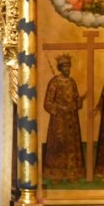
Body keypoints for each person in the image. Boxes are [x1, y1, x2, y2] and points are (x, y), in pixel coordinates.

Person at [42, 53, 86, 181]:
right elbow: (48, 103)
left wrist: (79, 101)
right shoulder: (54, 82)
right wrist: (61, 108)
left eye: (69, 67)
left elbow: (76, 100)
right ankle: (56, 174)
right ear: (60, 68)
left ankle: (73, 174)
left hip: (72, 120)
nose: (67, 69)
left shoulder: (72, 82)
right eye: (65, 67)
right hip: (59, 121)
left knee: (71, 145)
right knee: (59, 144)